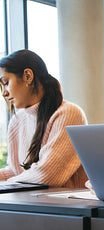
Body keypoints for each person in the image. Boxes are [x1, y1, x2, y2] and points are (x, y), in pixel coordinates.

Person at [0, 50, 88, 187]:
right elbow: (16, 171)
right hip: (32, 203)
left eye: (6, 82)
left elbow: (47, 175)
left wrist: (8, 184)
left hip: (66, 206)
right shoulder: (17, 121)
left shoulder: (68, 113)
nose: (4, 93)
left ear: (28, 76)